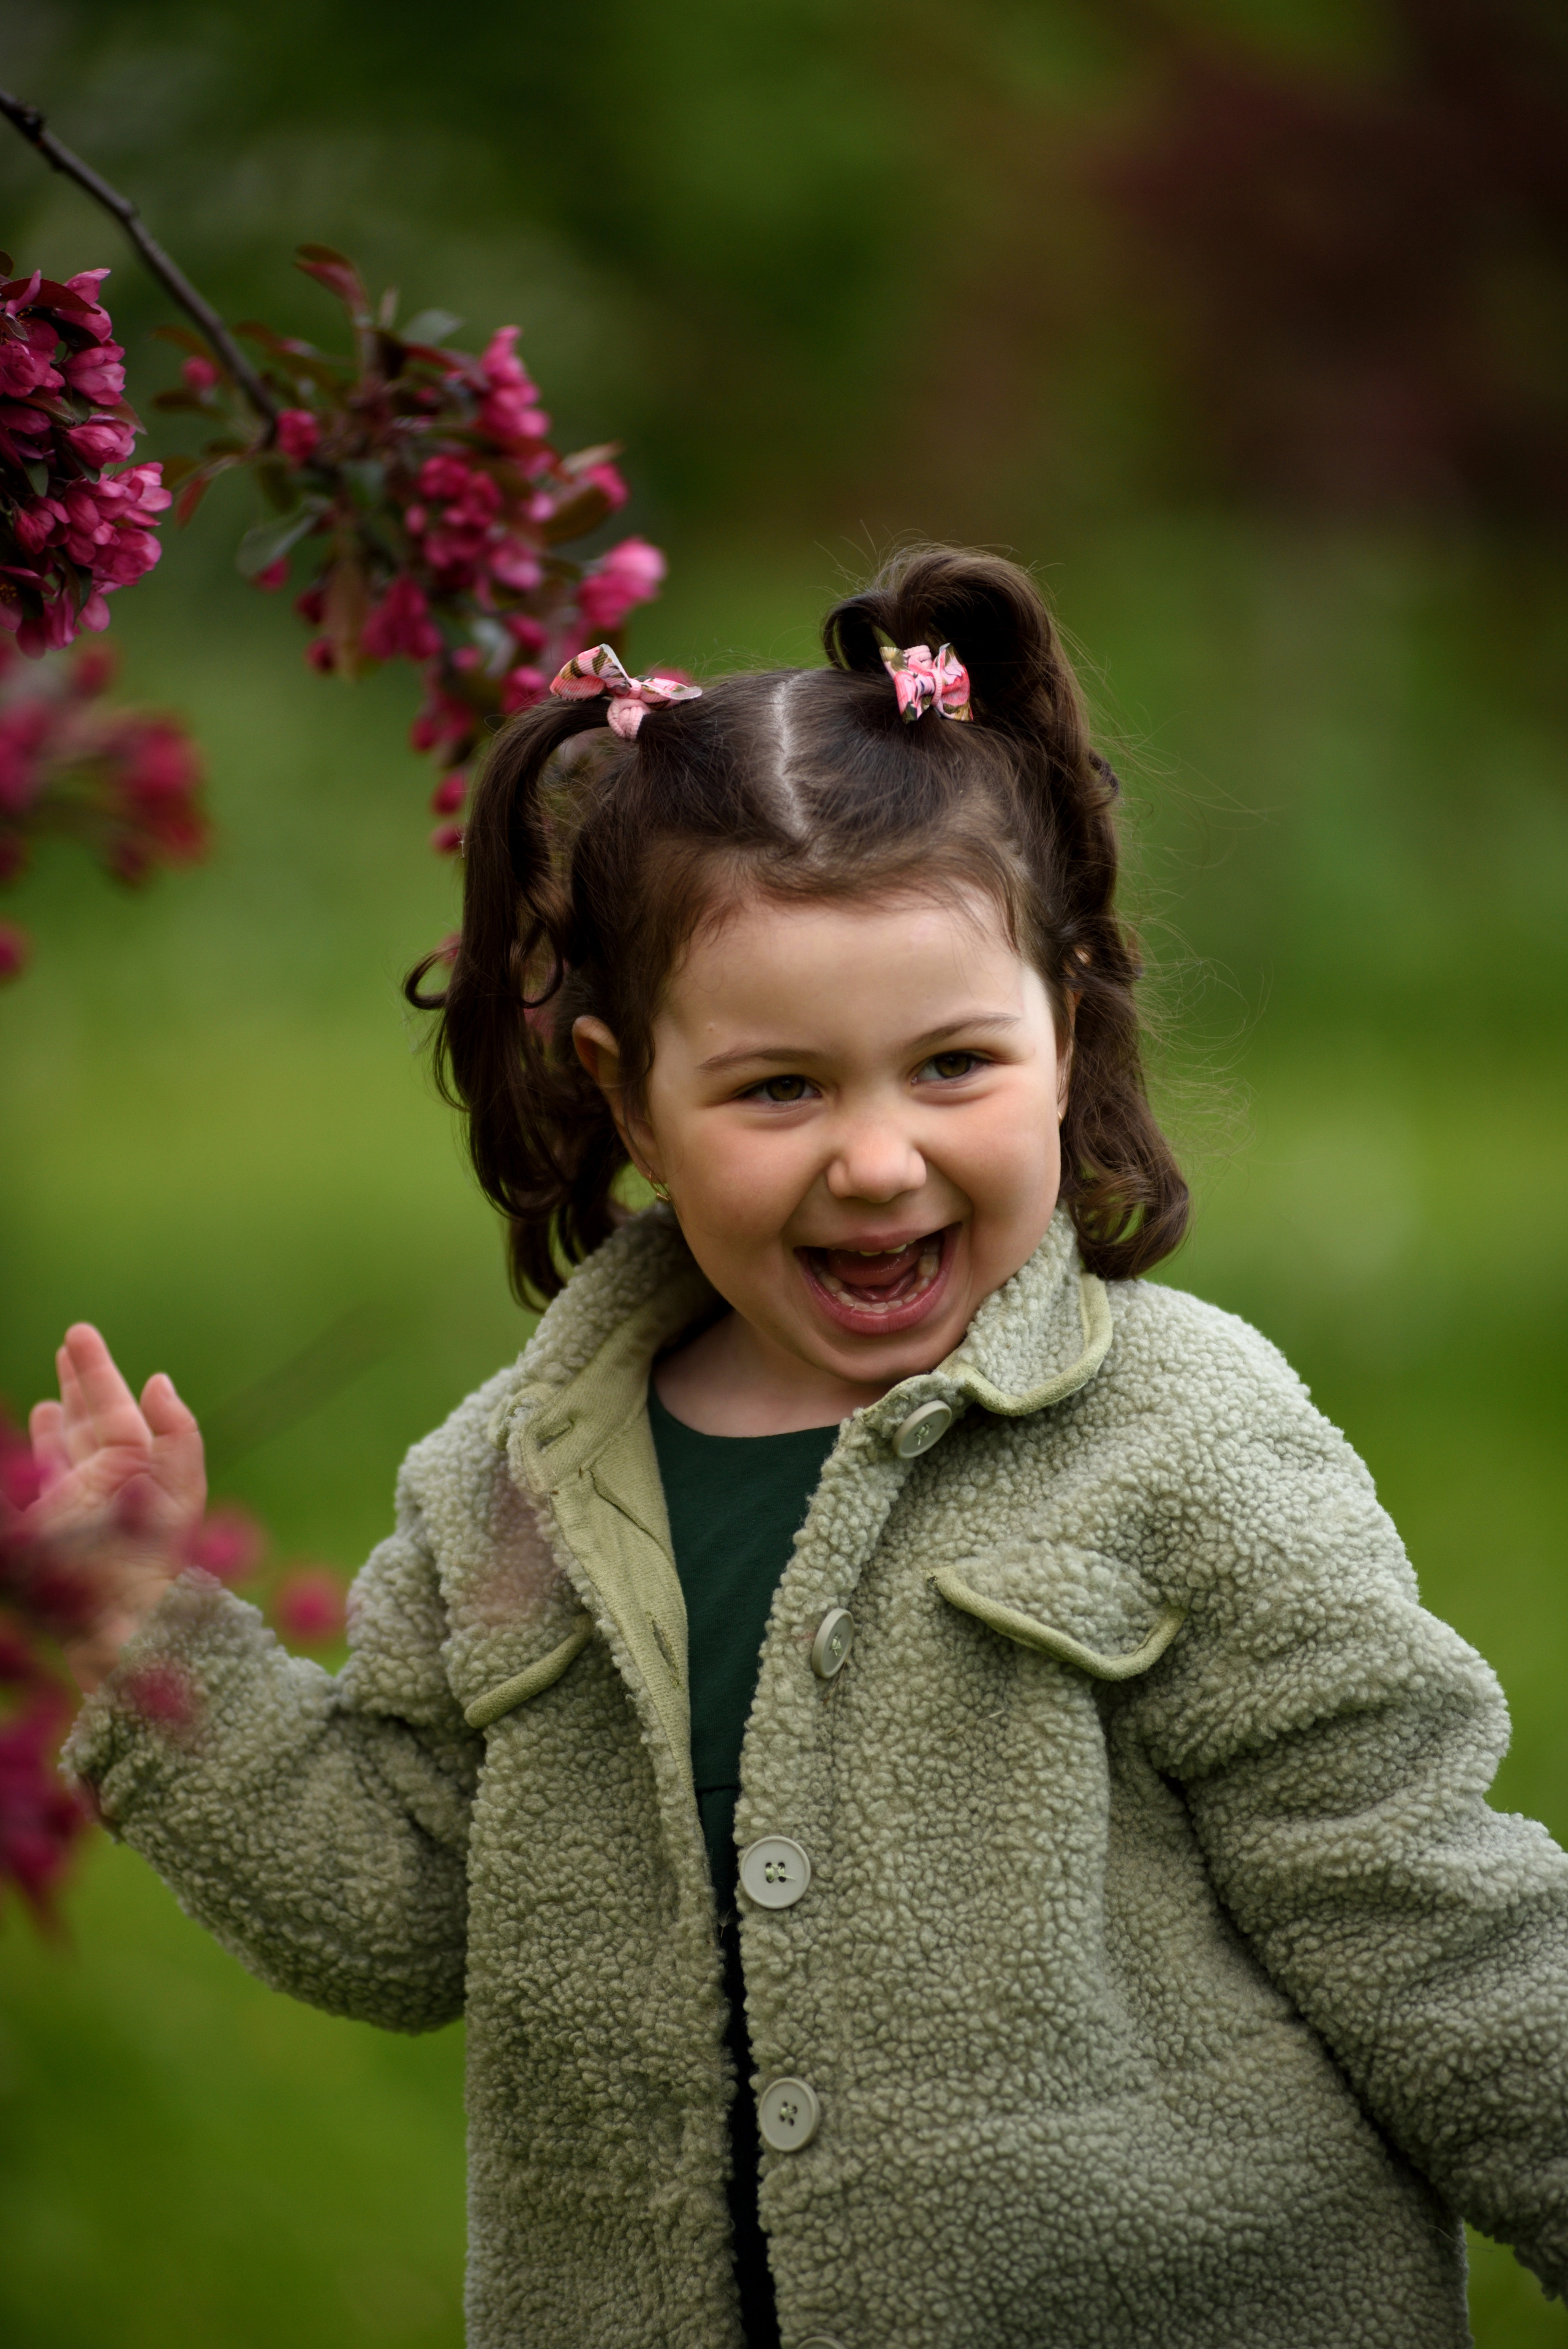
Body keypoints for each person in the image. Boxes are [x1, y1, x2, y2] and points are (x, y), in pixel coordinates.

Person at [28, 546, 1568, 2349]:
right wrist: (142, 1637)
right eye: (780, 1088)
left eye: (951, 1066)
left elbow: (1424, 1909)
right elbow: (396, 1903)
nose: (878, 1158)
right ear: (627, 1095)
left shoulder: (1190, 1442)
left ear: (1062, 1042)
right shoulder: (512, 1486)